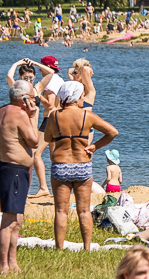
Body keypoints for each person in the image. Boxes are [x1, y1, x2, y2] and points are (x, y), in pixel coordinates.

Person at [44, 81, 119, 251]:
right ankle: (86, 247)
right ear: (76, 97)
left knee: (61, 211)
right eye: (82, 95)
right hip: (82, 165)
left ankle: (59, 248)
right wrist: (95, 146)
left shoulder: (54, 116)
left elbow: (48, 138)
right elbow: (113, 132)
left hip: (60, 165)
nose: (83, 98)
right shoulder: (87, 116)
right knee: (84, 210)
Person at [0, 81, 41, 275]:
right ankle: (4, 267)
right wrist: (34, 116)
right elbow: (34, 141)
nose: (35, 101)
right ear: (23, 99)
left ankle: (13, 262)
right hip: (14, 170)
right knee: (9, 221)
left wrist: (2, 147)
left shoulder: (2, 111)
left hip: (12, 169)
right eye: (33, 98)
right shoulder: (19, 114)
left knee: (17, 219)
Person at [6, 58, 51, 197]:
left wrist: (35, 63)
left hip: (33, 127)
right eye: (26, 77)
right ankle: (22, 189)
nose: (29, 79)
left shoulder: (37, 89)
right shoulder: (17, 88)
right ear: (20, 77)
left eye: (31, 77)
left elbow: (50, 73)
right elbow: (8, 76)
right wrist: (16, 63)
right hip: (20, 128)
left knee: (32, 158)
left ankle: (37, 188)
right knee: (21, 159)